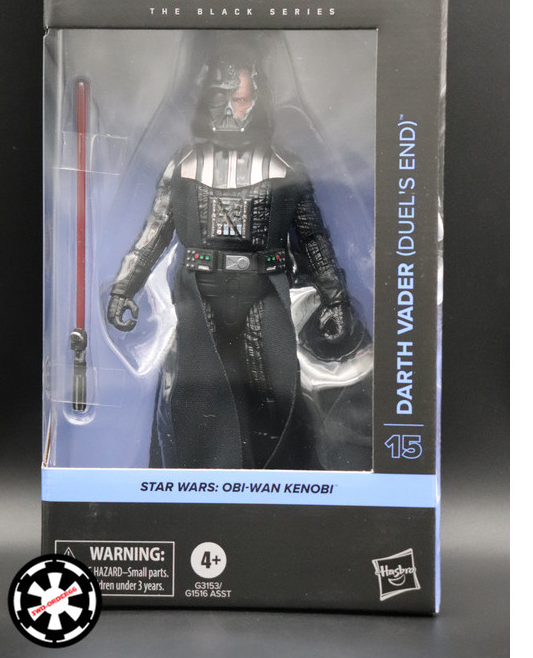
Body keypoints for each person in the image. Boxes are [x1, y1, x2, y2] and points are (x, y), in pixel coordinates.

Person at [107, 48, 355, 469]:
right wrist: (124, 286)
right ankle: (202, 484)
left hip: (263, 291)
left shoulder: (284, 166)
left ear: (258, 101)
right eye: (218, 98)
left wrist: (335, 297)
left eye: (239, 99)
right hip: (200, 295)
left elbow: (312, 237)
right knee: (200, 399)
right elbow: (156, 230)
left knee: (273, 396)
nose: (228, 110)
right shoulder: (184, 165)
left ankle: (275, 479)